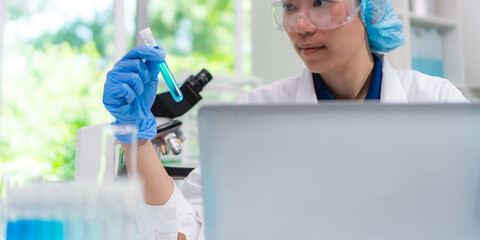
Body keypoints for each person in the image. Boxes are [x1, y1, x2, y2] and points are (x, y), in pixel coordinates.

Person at [102, 0, 469, 239]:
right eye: (290, 7)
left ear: (368, 9)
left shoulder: (438, 102)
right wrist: (136, 139)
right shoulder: (255, 117)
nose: (302, 26)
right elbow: (187, 234)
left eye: (321, 3)